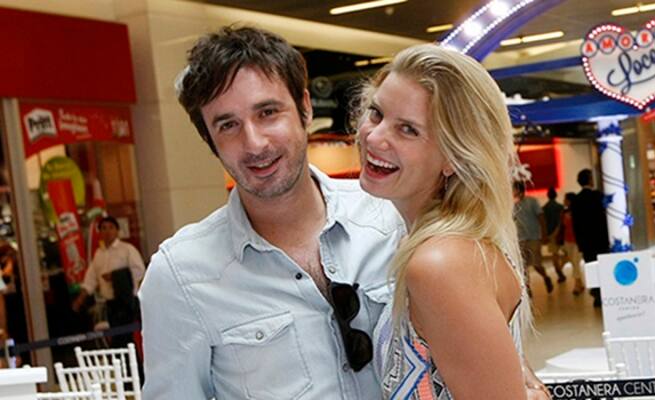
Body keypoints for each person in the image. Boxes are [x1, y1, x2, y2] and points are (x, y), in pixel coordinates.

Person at [139, 26, 548, 400]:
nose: (255, 143)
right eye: (227, 125)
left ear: (304, 107)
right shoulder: (182, 274)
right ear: (209, 139)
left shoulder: (397, 223)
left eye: (268, 112)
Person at [358, 43, 538, 400]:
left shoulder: (441, 263)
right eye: (376, 114)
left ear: (454, 157)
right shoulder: (448, 245)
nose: (374, 137)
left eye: (408, 130)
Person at [72, 216, 145, 347]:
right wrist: (81, 298)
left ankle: (133, 360)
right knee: (116, 338)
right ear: (100, 232)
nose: (108, 231)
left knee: (127, 338)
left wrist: (116, 276)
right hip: (111, 303)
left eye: (111, 228)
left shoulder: (127, 249)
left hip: (127, 301)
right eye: (104, 228)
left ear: (117, 231)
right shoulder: (99, 254)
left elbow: (139, 271)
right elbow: (91, 278)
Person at [571, 168, 609, 307]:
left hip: (586, 241)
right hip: (601, 239)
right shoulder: (598, 196)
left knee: (591, 266)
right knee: (603, 266)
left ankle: (596, 292)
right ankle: (604, 293)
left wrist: (580, 242)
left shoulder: (576, 200)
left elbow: (576, 224)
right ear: (590, 180)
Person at [514, 181, 558, 294]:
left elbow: (541, 217)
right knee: (522, 266)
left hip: (534, 237)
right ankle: (527, 289)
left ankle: (546, 278)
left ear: (518, 190)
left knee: (536, 264)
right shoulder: (513, 205)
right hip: (521, 239)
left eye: (513, 189)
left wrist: (544, 234)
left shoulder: (532, 201)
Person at [557, 192, 584, 295]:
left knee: (576, 261)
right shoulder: (564, 212)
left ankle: (577, 285)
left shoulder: (579, 211)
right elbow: (562, 226)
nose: (564, 201)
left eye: (565, 199)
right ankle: (580, 283)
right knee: (573, 262)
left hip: (577, 240)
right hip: (567, 240)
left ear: (570, 201)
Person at [543, 187, 567, 283]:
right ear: (556, 195)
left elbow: (544, 223)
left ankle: (559, 272)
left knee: (554, 255)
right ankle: (560, 269)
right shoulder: (560, 207)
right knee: (567, 253)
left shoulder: (544, 208)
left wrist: (545, 235)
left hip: (550, 235)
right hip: (561, 234)